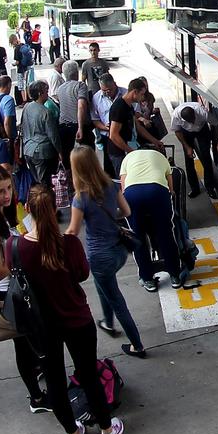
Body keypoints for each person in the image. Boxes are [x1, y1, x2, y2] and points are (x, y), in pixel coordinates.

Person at [15, 185, 125, 434]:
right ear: (55, 209)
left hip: (43, 326)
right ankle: (107, 431)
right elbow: (82, 274)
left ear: (27, 210)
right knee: (88, 375)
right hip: (77, 320)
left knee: (54, 379)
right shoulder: (70, 243)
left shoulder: (16, 246)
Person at [0, 163, 48, 416]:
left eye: (8, 188)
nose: (6, 195)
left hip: (20, 286)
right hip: (10, 293)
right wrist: (25, 262)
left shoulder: (8, 211)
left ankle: (37, 378)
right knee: (24, 346)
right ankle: (37, 398)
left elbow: (28, 229)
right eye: (0, 191)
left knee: (31, 341)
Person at [67, 145, 145, 358]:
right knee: (105, 285)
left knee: (117, 300)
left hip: (99, 256)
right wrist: (109, 216)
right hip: (119, 251)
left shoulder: (80, 198)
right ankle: (107, 322)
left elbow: (73, 231)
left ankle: (137, 345)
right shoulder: (110, 185)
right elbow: (126, 211)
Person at [120, 147, 183, 292]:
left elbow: (123, 187)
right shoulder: (162, 158)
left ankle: (148, 279)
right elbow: (170, 188)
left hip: (132, 195)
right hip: (157, 191)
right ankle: (175, 275)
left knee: (137, 238)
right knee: (166, 234)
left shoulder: (127, 158)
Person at [107, 78, 163, 177]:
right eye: (141, 94)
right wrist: (129, 151)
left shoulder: (129, 106)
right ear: (135, 92)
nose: (142, 98)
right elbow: (113, 135)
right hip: (119, 153)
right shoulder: (119, 107)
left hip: (129, 148)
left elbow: (137, 127)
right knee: (125, 181)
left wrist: (154, 141)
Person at [171, 100, 218, 199]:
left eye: (194, 119)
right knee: (189, 160)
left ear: (195, 113)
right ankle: (195, 189)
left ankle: (210, 187)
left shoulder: (202, 111)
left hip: (202, 131)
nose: (193, 123)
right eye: (190, 121)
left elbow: (217, 124)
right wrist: (187, 147)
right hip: (186, 133)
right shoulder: (176, 115)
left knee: (206, 157)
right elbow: (177, 131)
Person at [21, 79, 61, 187]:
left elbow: (22, 126)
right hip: (42, 151)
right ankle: (44, 202)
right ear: (40, 93)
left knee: (37, 182)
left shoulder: (27, 107)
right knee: (45, 184)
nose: (47, 94)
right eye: (46, 91)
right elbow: (53, 136)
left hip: (28, 149)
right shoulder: (46, 112)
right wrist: (60, 151)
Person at [55, 59, 89, 172]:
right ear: (76, 72)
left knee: (68, 158)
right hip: (78, 126)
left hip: (63, 127)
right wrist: (80, 127)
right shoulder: (80, 85)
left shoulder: (60, 89)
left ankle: (71, 182)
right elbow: (81, 106)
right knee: (86, 156)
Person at [91, 73, 124, 175]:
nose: (107, 93)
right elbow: (95, 119)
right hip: (106, 136)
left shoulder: (125, 94)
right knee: (109, 166)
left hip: (123, 135)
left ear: (115, 84)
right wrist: (104, 127)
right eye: (104, 91)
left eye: (109, 90)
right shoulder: (97, 98)